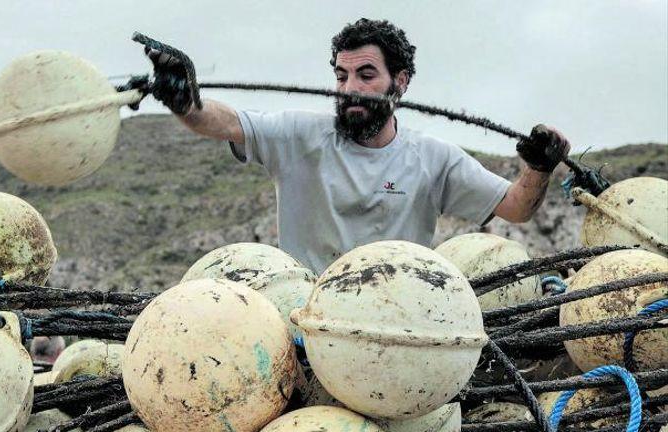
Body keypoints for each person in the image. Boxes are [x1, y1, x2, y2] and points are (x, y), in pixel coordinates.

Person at [142, 18, 570, 274]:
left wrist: (538, 167)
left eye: (366, 75)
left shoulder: (434, 159)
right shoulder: (299, 135)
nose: (350, 88)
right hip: (303, 319)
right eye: (342, 76)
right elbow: (221, 122)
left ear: (400, 82)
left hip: (396, 319)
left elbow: (517, 207)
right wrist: (185, 99)